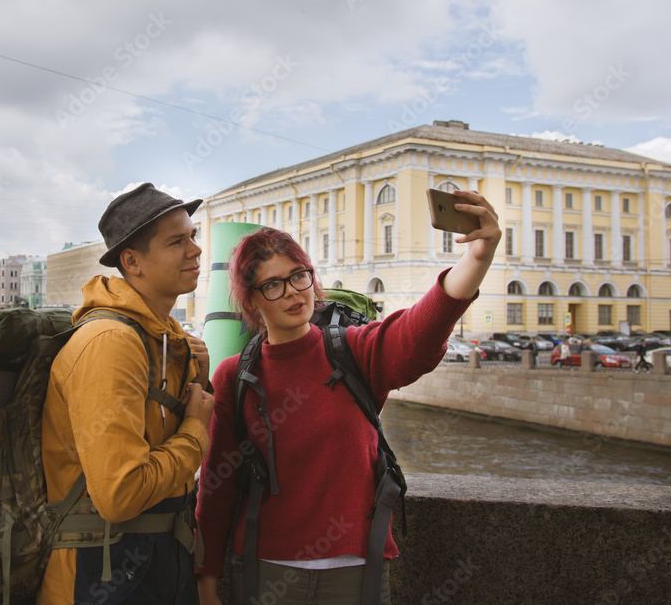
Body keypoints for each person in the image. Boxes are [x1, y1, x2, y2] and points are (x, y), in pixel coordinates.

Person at [195, 190, 500, 605]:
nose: (292, 292)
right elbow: (218, 484)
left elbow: (416, 334)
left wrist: (476, 260)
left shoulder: (353, 351)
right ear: (250, 300)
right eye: (272, 284)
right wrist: (206, 578)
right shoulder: (236, 374)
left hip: (357, 572)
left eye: (299, 275)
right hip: (267, 571)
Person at [38, 183, 216, 605]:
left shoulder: (164, 339)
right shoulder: (111, 343)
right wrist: (195, 431)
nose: (195, 250)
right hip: (103, 575)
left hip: (146, 566)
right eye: (177, 241)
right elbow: (120, 495)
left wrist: (198, 378)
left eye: (193, 236)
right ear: (132, 262)